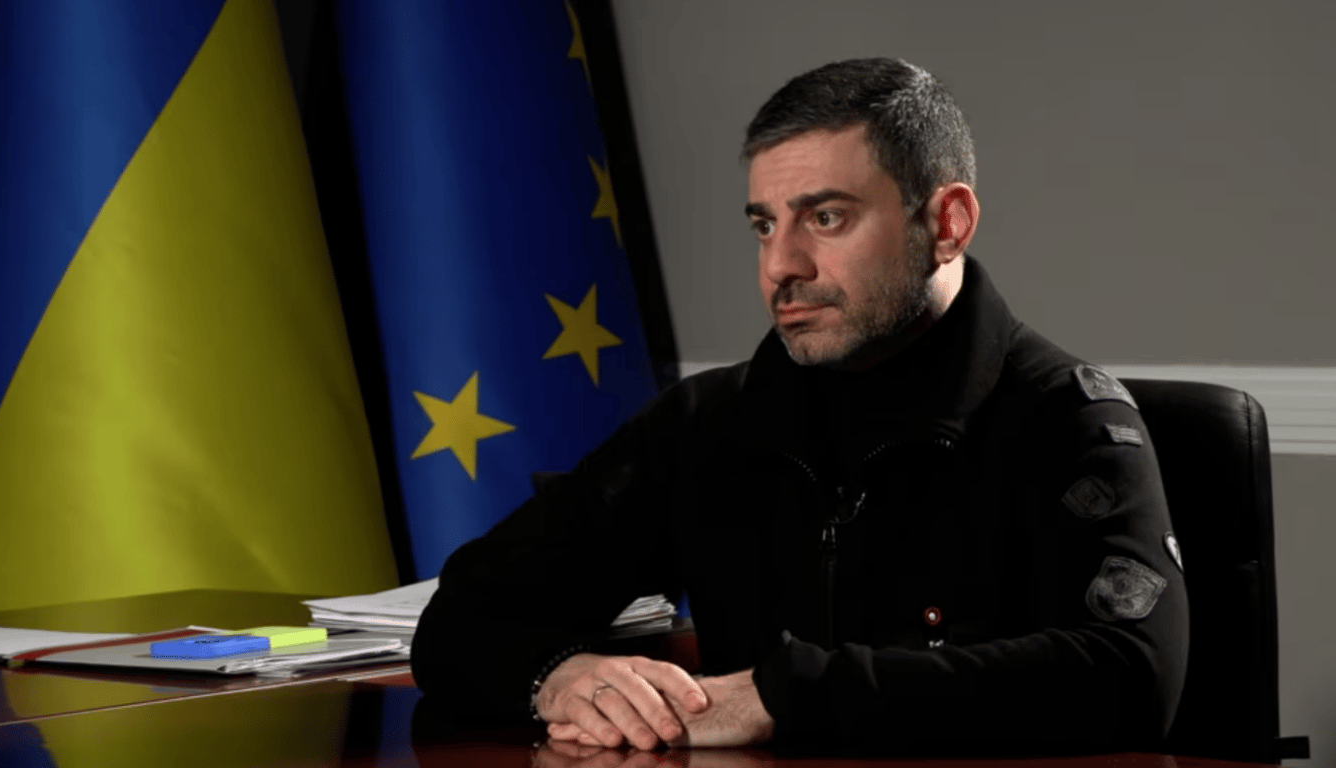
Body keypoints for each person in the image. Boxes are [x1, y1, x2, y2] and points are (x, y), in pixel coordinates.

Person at [411, 57, 1188, 757]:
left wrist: (788, 695)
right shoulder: (706, 423)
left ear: (946, 224)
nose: (780, 265)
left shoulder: (1067, 418)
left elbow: (1131, 674)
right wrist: (557, 677)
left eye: (825, 218)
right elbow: (463, 615)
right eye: (764, 225)